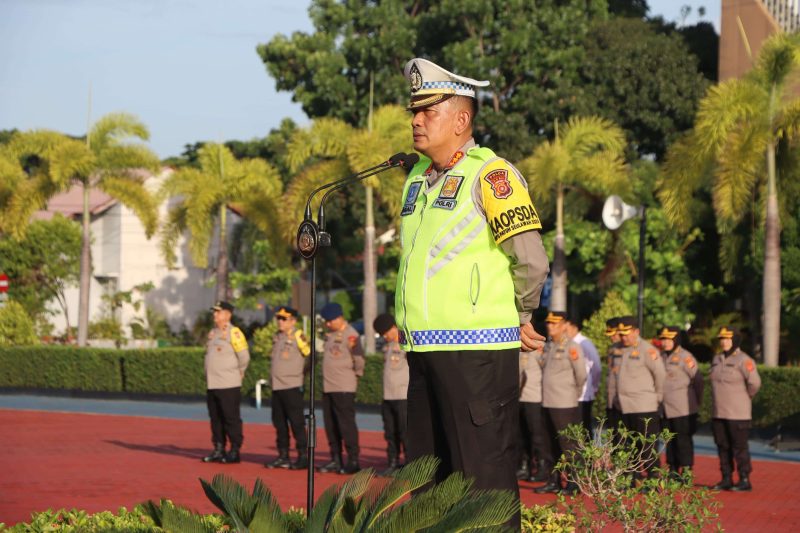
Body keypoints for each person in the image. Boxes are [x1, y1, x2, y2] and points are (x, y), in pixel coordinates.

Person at [395, 57, 549, 527]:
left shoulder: (492, 175)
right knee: (429, 483)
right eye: (414, 111)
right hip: (423, 349)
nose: (417, 120)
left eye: (429, 110)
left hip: (478, 352)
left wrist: (521, 314)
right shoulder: (417, 180)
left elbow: (531, 259)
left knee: (483, 481)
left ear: (461, 120)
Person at [535, 311, 587, 495]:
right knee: (549, 444)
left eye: (555, 323)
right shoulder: (548, 347)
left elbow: (581, 375)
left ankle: (574, 483)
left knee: (569, 445)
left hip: (564, 403)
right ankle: (554, 480)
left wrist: (574, 393)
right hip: (547, 401)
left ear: (564, 325)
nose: (550, 326)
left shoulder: (572, 347)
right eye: (549, 323)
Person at [614, 316, 666, 481]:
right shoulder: (617, 348)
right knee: (627, 446)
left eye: (627, 334)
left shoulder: (647, 350)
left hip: (644, 407)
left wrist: (656, 398)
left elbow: (660, 376)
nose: (623, 337)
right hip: (623, 406)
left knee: (647, 448)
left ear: (636, 332)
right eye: (621, 334)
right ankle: (629, 479)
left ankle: (653, 481)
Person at [710, 326, 761, 491]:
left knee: (739, 448)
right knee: (722, 446)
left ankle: (744, 479)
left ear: (736, 340)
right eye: (722, 339)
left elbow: (755, 383)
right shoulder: (717, 359)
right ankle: (726, 478)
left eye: (727, 339)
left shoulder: (744, 360)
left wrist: (744, 398)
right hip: (719, 412)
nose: (724, 342)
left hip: (738, 414)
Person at [318, 302, 365, 475]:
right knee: (331, 425)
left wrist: (356, 376)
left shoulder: (351, 335)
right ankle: (335, 459)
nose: (327, 324)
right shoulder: (330, 335)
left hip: (344, 386)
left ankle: (353, 459)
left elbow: (359, 360)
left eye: (330, 321)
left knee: (346, 425)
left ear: (339, 318)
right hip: (328, 386)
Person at [202, 301, 250, 464]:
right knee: (215, 418)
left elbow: (244, 357)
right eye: (214, 312)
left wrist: (239, 372)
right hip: (213, 383)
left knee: (231, 418)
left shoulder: (234, 333)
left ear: (228, 314)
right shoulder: (213, 333)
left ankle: (235, 450)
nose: (215, 315)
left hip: (228, 383)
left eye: (218, 312)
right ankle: (219, 448)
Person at [265, 306, 310, 470]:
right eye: (279, 318)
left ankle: (303, 456)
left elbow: (311, 355)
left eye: (284, 319)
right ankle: (283, 455)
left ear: (293, 321)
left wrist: (301, 374)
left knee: (296, 423)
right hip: (277, 386)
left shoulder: (298, 336)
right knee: (279, 423)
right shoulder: (278, 337)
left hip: (292, 386)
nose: (280, 321)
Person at [659, 326, 703, 478]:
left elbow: (698, 381)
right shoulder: (660, 356)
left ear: (676, 340)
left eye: (669, 339)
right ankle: (672, 468)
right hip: (665, 408)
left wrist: (696, 402)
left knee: (683, 440)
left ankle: (686, 470)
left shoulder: (686, 357)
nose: (665, 342)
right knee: (669, 441)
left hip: (683, 408)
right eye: (663, 339)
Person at [373, 313, 409, 476]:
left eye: (387, 332)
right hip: (388, 396)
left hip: (403, 395)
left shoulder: (406, 342)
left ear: (394, 327)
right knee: (390, 432)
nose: (385, 336)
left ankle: (410, 464)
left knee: (405, 432)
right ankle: (393, 462)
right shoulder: (388, 346)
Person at [565, 317, 601, 436]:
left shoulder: (584, 343)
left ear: (575, 327)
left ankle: (588, 454)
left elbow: (596, 367)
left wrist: (594, 387)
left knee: (584, 427)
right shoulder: (566, 343)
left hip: (584, 393)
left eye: (567, 327)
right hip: (570, 393)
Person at [517, 343, 547, 483]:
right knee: (522, 435)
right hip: (519, 397)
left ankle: (542, 467)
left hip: (535, 397)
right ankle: (525, 466)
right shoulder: (517, 347)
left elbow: (547, 371)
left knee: (537, 435)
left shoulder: (539, 348)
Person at [605, 317, 624, 433]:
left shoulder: (629, 350)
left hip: (625, 402)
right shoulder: (612, 349)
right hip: (612, 400)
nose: (612, 337)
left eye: (614, 334)